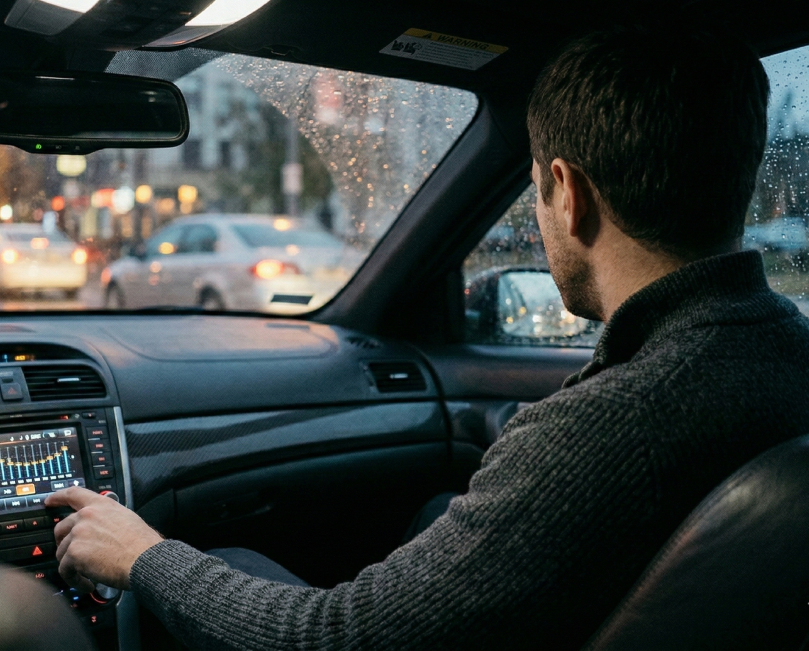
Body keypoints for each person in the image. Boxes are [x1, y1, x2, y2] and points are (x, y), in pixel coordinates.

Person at [45, 23, 809, 649]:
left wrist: (143, 553)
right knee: (434, 510)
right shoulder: (786, 348)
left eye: (538, 191)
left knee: (216, 568)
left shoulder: (613, 427)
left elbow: (335, 639)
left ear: (568, 195)